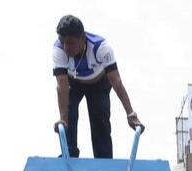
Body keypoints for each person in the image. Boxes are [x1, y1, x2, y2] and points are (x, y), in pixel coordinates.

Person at [52, 15, 142, 159]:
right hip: (73, 82)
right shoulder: (58, 49)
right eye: (63, 42)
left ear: (82, 38)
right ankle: (69, 153)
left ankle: (103, 158)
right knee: (69, 113)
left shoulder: (101, 47)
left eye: (70, 43)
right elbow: (61, 86)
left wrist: (131, 114)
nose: (66, 47)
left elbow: (117, 82)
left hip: (99, 83)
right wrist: (63, 119)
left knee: (99, 117)